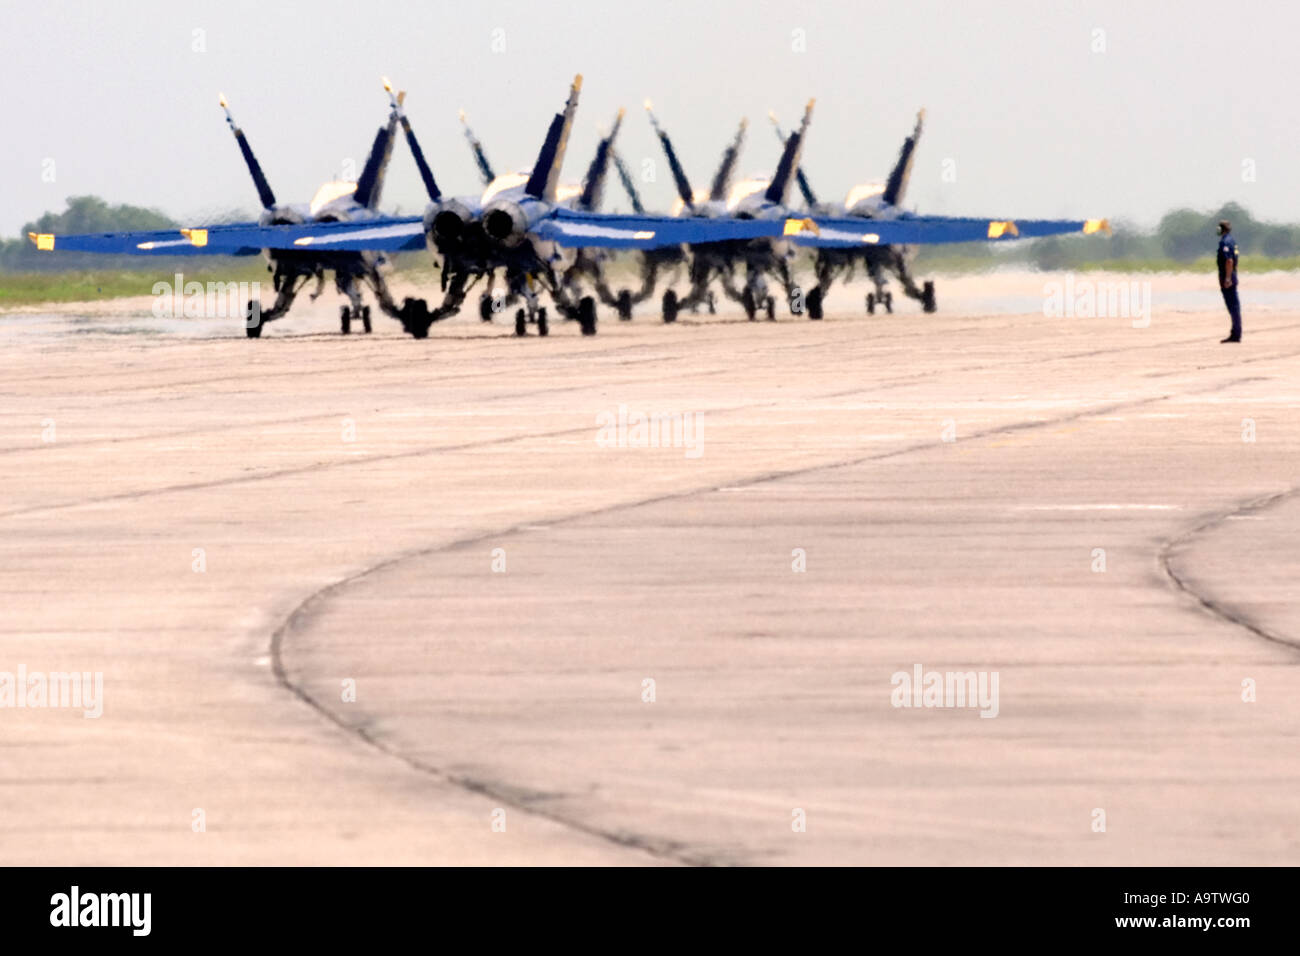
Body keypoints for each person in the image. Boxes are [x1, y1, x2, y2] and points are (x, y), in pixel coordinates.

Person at [1216, 220, 1241, 343]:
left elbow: (1229, 261)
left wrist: (1227, 278)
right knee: (1234, 306)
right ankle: (1235, 332)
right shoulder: (1232, 241)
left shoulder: (1225, 242)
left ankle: (1236, 334)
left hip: (1228, 277)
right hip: (1232, 274)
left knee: (1233, 306)